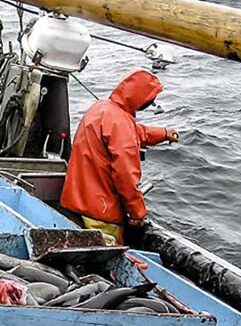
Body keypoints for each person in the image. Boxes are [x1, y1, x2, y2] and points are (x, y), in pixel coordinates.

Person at [60, 69, 179, 244]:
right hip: (100, 214)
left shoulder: (101, 108)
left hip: (73, 201)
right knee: (105, 259)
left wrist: (163, 133)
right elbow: (126, 177)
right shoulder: (121, 123)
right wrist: (137, 213)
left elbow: (135, 132)